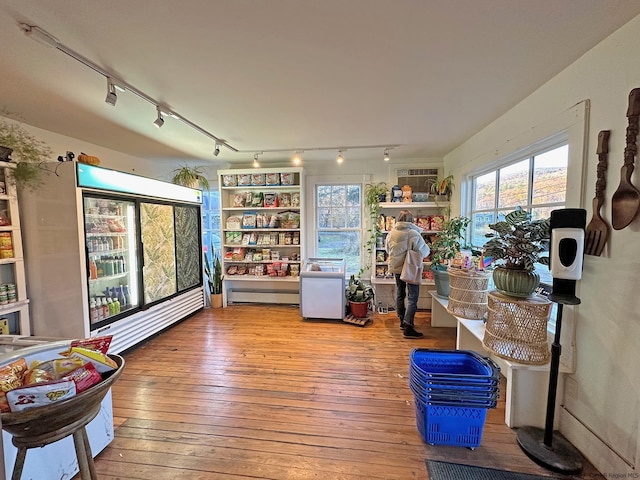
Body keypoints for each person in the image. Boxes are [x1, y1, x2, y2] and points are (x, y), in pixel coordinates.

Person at [385, 210, 431, 339]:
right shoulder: (413, 233)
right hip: (410, 268)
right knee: (412, 296)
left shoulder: (391, 233)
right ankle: (408, 326)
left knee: (400, 294)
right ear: (411, 220)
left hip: (396, 269)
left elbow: (387, 250)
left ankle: (401, 321)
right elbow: (425, 251)